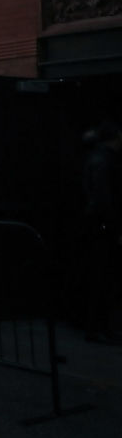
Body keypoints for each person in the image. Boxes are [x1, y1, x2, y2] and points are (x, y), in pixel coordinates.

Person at [80, 119, 122, 343]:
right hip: (102, 226)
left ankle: (96, 326)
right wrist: (115, 225)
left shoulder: (95, 158)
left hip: (96, 224)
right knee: (104, 277)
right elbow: (105, 198)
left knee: (99, 276)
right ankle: (102, 327)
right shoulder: (106, 161)